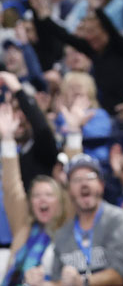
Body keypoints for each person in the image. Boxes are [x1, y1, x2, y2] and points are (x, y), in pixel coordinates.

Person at [0, 103, 69, 285]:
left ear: (60, 200)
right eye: (37, 195)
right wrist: (7, 138)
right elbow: (12, 186)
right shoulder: (24, 227)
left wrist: (75, 134)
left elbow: (74, 183)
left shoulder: (68, 226)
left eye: (48, 194)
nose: (42, 199)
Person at [48, 155, 123, 285]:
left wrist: (82, 281)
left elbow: (119, 275)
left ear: (101, 185)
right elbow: (57, 280)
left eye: (90, 177)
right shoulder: (62, 234)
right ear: (68, 190)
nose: (84, 184)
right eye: (77, 179)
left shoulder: (119, 220)